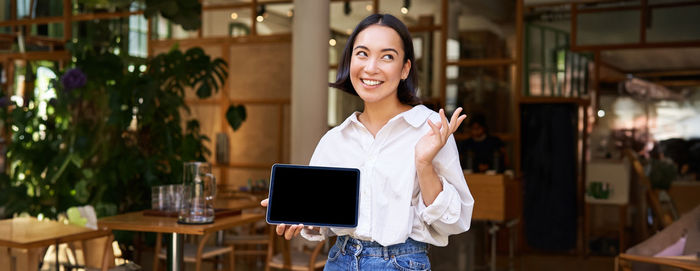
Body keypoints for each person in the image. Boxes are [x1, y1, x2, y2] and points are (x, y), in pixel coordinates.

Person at [261, 13, 473, 270]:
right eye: (362, 53)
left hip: (401, 263)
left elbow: (454, 222)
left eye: (387, 56)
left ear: (405, 68)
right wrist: (300, 216)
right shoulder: (335, 139)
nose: (371, 67)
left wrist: (424, 163)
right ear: (350, 60)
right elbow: (324, 219)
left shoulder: (429, 129)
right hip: (340, 260)